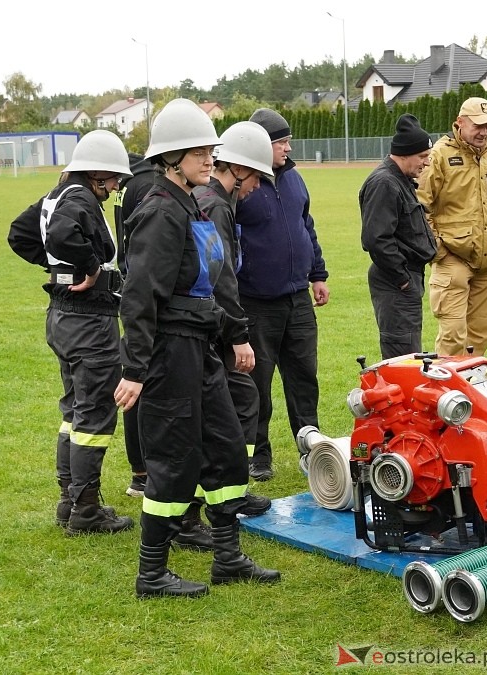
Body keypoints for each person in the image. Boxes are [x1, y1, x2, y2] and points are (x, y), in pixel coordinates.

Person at [115, 99, 280, 599]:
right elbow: (141, 295)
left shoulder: (193, 203)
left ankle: (227, 557)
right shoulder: (161, 213)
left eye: (210, 150)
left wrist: (232, 333)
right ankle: (152, 574)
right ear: (170, 158)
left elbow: (212, 283)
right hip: (169, 354)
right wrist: (135, 369)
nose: (209, 159)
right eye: (198, 151)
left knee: (228, 450)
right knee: (173, 462)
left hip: (201, 347)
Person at [6, 129, 134, 536]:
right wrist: (90, 267)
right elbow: (62, 235)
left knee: (74, 412)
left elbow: (20, 234)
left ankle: (70, 500)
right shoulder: (78, 197)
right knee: (95, 415)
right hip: (89, 321)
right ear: (95, 171)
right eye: (113, 177)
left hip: (62, 316)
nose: (115, 185)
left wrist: (59, 270)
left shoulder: (55, 195)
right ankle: (86, 508)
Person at [236, 108, 330, 482]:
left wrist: (318, 273)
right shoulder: (242, 186)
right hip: (257, 301)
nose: (288, 149)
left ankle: (312, 448)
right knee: (258, 381)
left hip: (298, 299)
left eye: (288, 141)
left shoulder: (294, 179)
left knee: (304, 377)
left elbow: (306, 225)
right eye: (281, 142)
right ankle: (259, 454)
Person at [415, 96, 487, 356]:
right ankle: (446, 394)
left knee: (482, 334)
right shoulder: (439, 155)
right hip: (452, 259)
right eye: (478, 125)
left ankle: (470, 391)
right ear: (460, 123)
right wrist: (438, 249)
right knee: (452, 337)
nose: (484, 131)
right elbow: (420, 207)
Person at [360, 114, 436, 359]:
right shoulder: (385, 183)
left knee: (409, 353)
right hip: (396, 283)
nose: (426, 163)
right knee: (401, 357)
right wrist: (403, 278)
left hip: (404, 280)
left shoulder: (399, 180)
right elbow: (376, 239)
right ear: (404, 154)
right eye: (422, 156)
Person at [113, 151, 157, 498]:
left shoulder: (128, 184)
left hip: (132, 287)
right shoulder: (150, 186)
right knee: (141, 382)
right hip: (148, 296)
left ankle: (140, 473)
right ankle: (144, 473)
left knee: (137, 382)